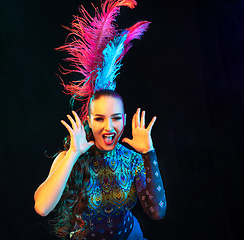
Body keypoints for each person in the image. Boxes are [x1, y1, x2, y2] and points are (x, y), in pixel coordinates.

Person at [34, 0, 166, 239]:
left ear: (124, 120)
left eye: (115, 118)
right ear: (90, 121)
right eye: (100, 119)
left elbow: (157, 212)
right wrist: (73, 154)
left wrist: (149, 153)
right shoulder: (72, 156)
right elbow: (42, 208)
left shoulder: (133, 159)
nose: (109, 126)